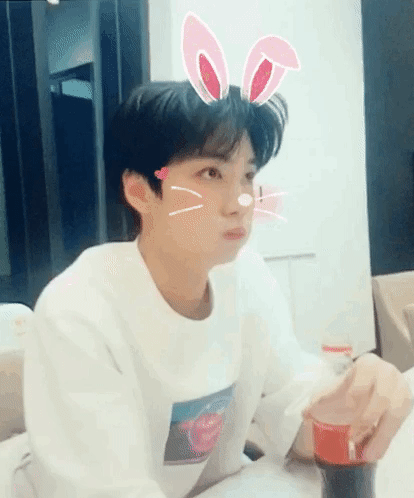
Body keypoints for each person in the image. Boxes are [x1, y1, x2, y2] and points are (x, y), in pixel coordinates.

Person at [9, 80, 413, 498]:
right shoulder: (78, 312)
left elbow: (295, 414)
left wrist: (350, 408)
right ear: (140, 191)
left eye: (247, 176)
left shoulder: (246, 277)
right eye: (211, 173)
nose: (240, 202)